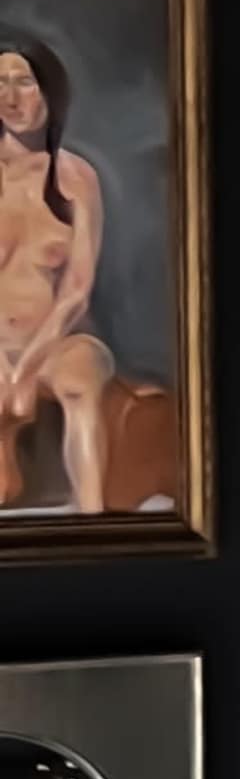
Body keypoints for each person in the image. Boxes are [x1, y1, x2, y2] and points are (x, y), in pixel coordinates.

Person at [0, 36, 114, 514]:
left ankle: (94, 519)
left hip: (58, 340)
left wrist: (26, 368)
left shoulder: (74, 178)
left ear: (50, 90)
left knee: (79, 376)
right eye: (0, 84)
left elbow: (76, 291)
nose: (11, 98)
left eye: (24, 82)